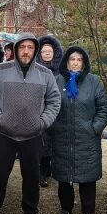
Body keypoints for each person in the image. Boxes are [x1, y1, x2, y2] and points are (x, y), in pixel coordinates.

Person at [0, 33, 61, 214]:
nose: (26, 51)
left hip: (33, 135)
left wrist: (43, 122)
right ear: (16, 49)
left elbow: (54, 101)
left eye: (30, 48)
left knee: (32, 177)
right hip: (4, 134)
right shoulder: (1, 69)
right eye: (22, 47)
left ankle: (31, 212)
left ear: (35, 51)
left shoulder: (45, 74)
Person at [49, 47, 107, 214]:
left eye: (79, 60)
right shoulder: (57, 81)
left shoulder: (93, 82)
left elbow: (103, 108)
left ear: (84, 63)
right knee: (64, 177)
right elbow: (48, 106)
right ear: (66, 62)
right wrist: (53, 127)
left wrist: (95, 128)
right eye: (72, 59)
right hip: (62, 137)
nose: (75, 63)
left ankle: (88, 212)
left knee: (87, 178)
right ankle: (66, 208)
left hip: (87, 138)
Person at [36, 35, 64, 187]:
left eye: (49, 51)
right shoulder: (36, 69)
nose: (47, 53)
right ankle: (41, 173)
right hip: (39, 111)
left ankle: (49, 169)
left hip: (57, 111)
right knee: (43, 144)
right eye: (44, 51)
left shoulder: (60, 70)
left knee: (54, 144)